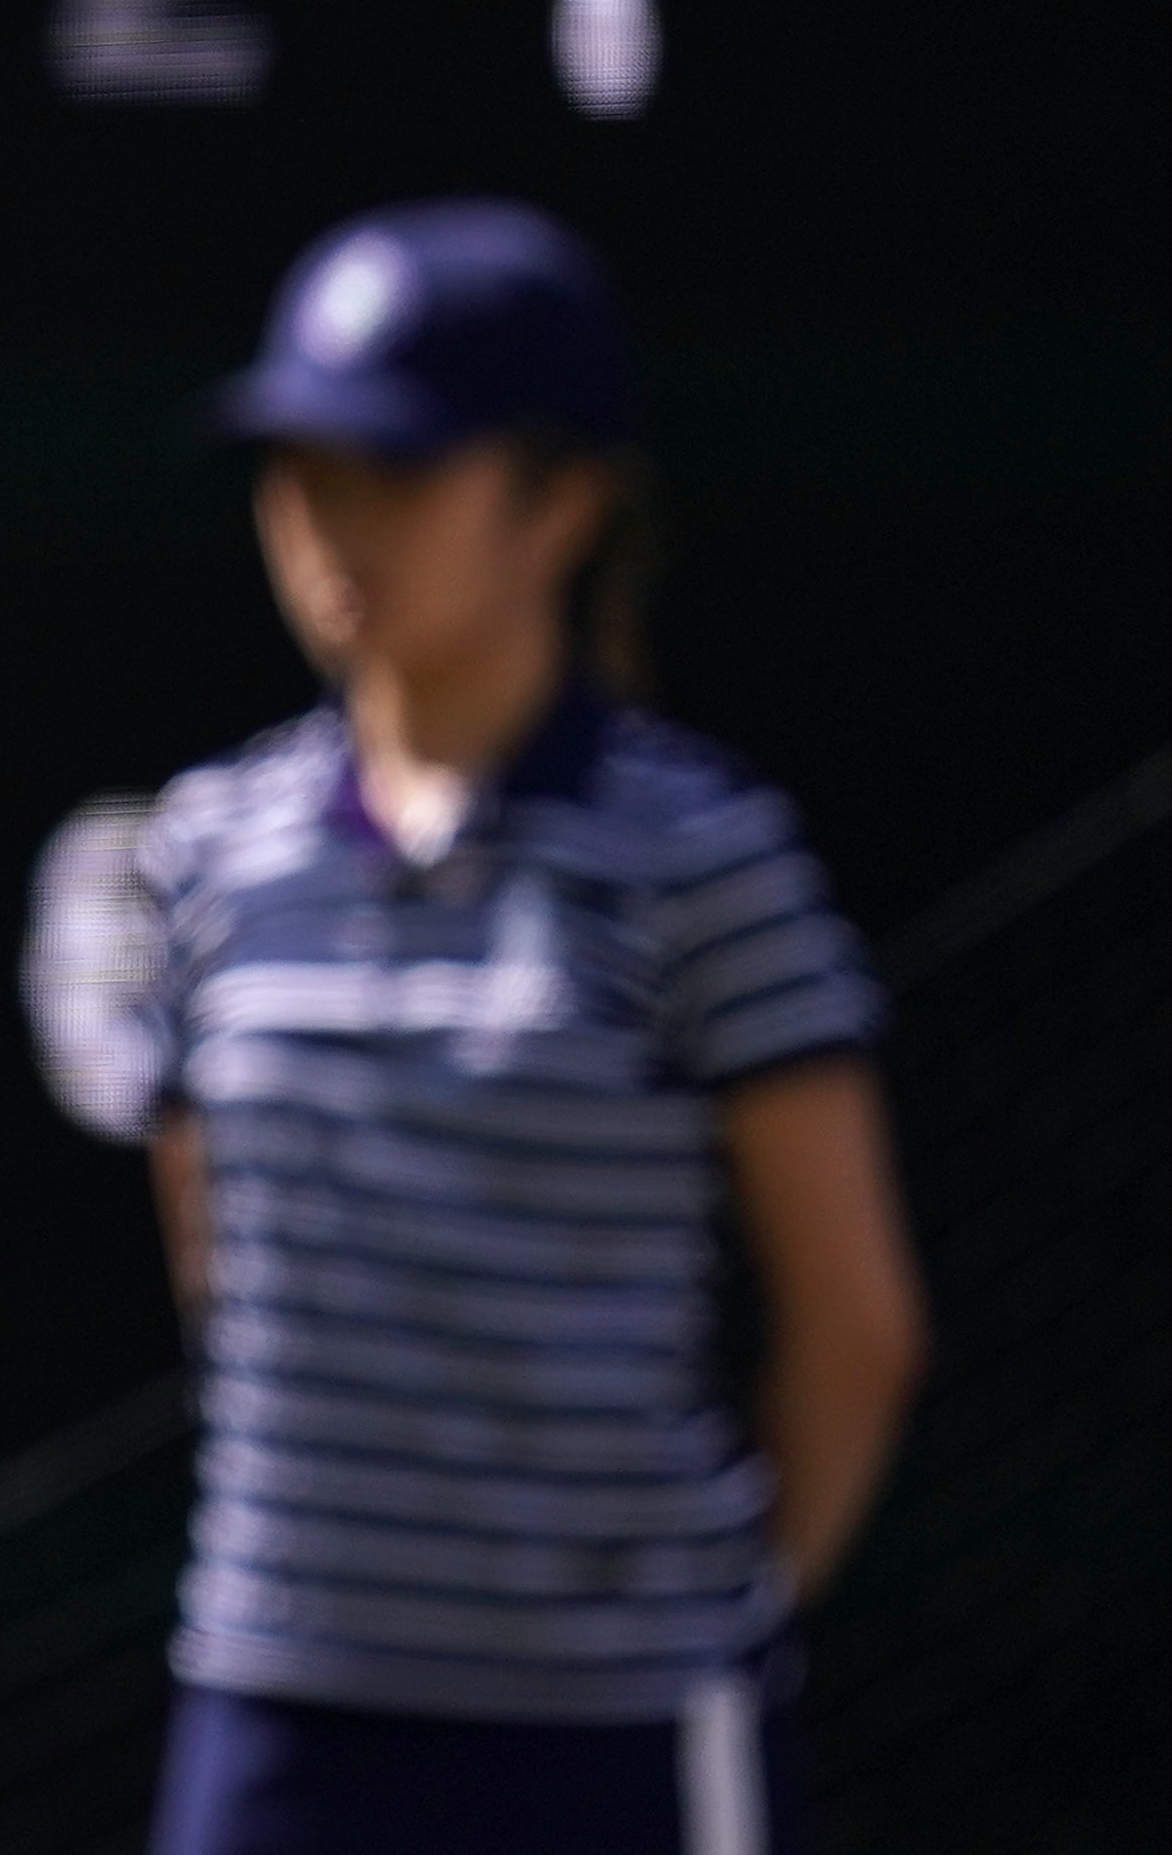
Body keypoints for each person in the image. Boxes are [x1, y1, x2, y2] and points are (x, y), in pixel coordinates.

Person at [139, 202, 929, 1855]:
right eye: (303, 474)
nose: (334, 528)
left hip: (618, 1751)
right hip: (276, 1723)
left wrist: (678, 1631)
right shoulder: (207, 854)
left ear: (562, 504)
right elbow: (217, 1263)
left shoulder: (703, 861)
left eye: (398, 473)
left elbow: (854, 1330)